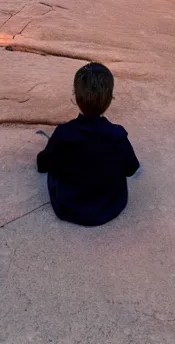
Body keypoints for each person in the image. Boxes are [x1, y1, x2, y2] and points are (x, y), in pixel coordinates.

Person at [37, 62, 140, 226]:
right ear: (110, 99)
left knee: (56, 166)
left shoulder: (64, 133)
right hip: (111, 206)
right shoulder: (117, 135)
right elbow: (131, 168)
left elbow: (43, 164)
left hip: (69, 206)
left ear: (76, 98)